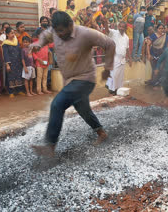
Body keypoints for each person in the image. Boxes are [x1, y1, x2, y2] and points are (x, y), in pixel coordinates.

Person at [30, 11, 115, 157]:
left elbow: (110, 43)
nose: (59, 35)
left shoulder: (85, 33)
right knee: (83, 109)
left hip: (85, 79)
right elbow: (46, 35)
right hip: (69, 81)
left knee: (57, 104)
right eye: (57, 32)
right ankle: (101, 133)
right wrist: (39, 44)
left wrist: (107, 68)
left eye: (62, 31)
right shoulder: (55, 32)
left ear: (70, 25)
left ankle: (50, 146)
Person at [105, 21, 132, 94]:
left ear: (126, 28)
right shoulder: (114, 33)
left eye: (123, 27)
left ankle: (117, 90)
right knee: (114, 75)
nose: (121, 28)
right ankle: (111, 90)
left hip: (123, 59)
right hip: (115, 57)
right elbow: (107, 30)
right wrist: (105, 22)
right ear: (118, 26)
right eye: (120, 26)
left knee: (120, 77)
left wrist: (129, 59)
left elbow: (127, 49)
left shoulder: (126, 37)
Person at [2, 27, 24, 98]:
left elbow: (19, 51)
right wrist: (7, 64)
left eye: (13, 33)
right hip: (11, 62)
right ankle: (11, 92)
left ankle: (19, 90)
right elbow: (5, 54)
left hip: (17, 62)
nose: (13, 34)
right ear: (7, 34)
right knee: (10, 77)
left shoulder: (16, 41)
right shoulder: (5, 43)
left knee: (18, 76)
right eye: (11, 33)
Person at [32, 29, 52, 95]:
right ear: (38, 35)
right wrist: (38, 59)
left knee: (45, 76)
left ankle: (45, 89)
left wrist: (49, 59)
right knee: (39, 77)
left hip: (46, 62)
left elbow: (48, 52)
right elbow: (33, 53)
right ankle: (39, 90)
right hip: (39, 62)